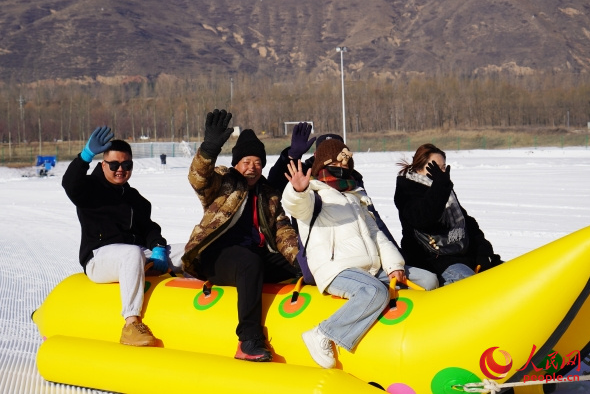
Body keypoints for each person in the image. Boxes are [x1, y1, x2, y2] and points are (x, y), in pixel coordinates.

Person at [281, 139, 438, 369]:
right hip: (336, 268)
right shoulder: (313, 195)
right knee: (374, 292)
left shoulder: (355, 196)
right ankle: (322, 333)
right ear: (322, 165)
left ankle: (424, 335)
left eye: (346, 164)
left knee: (428, 280)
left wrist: (394, 265)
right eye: (336, 164)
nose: (342, 168)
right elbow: (296, 205)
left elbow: (375, 234)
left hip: (370, 267)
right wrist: (298, 190)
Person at [181, 109, 300, 363]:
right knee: (249, 261)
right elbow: (199, 179)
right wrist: (209, 149)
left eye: (257, 163)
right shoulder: (224, 182)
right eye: (246, 162)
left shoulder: (268, 193)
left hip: (253, 256)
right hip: (217, 257)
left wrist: (302, 260)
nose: (252, 168)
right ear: (236, 163)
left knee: (299, 266)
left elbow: (282, 230)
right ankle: (248, 339)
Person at [62, 126, 170, 347]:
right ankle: (131, 324)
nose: (121, 169)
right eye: (114, 165)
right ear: (103, 165)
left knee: (186, 250)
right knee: (131, 253)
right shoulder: (89, 190)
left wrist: (158, 246)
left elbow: (148, 228)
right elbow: (70, 184)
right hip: (99, 260)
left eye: (126, 165)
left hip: (135, 255)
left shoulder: (134, 198)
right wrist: (85, 156)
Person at [267, 122, 398, 245]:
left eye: (337, 154)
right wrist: (292, 157)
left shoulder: (352, 179)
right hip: (314, 244)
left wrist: (393, 249)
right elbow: (274, 185)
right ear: (316, 154)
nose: (333, 160)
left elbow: (372, 217)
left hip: (352, 243)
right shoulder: (304, 173)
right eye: (325, 153)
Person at [394, 143, 502, 286]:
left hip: (462, 254)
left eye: (443, 167)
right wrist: (440, 187)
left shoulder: (444, 188)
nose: (441, 172)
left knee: (503, 273)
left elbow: (466, 222)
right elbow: (424, 219)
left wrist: (484, 252)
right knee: (471, 284)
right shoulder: (407, 191)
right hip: (433, 260)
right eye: (434, 168)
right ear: (419, 168)